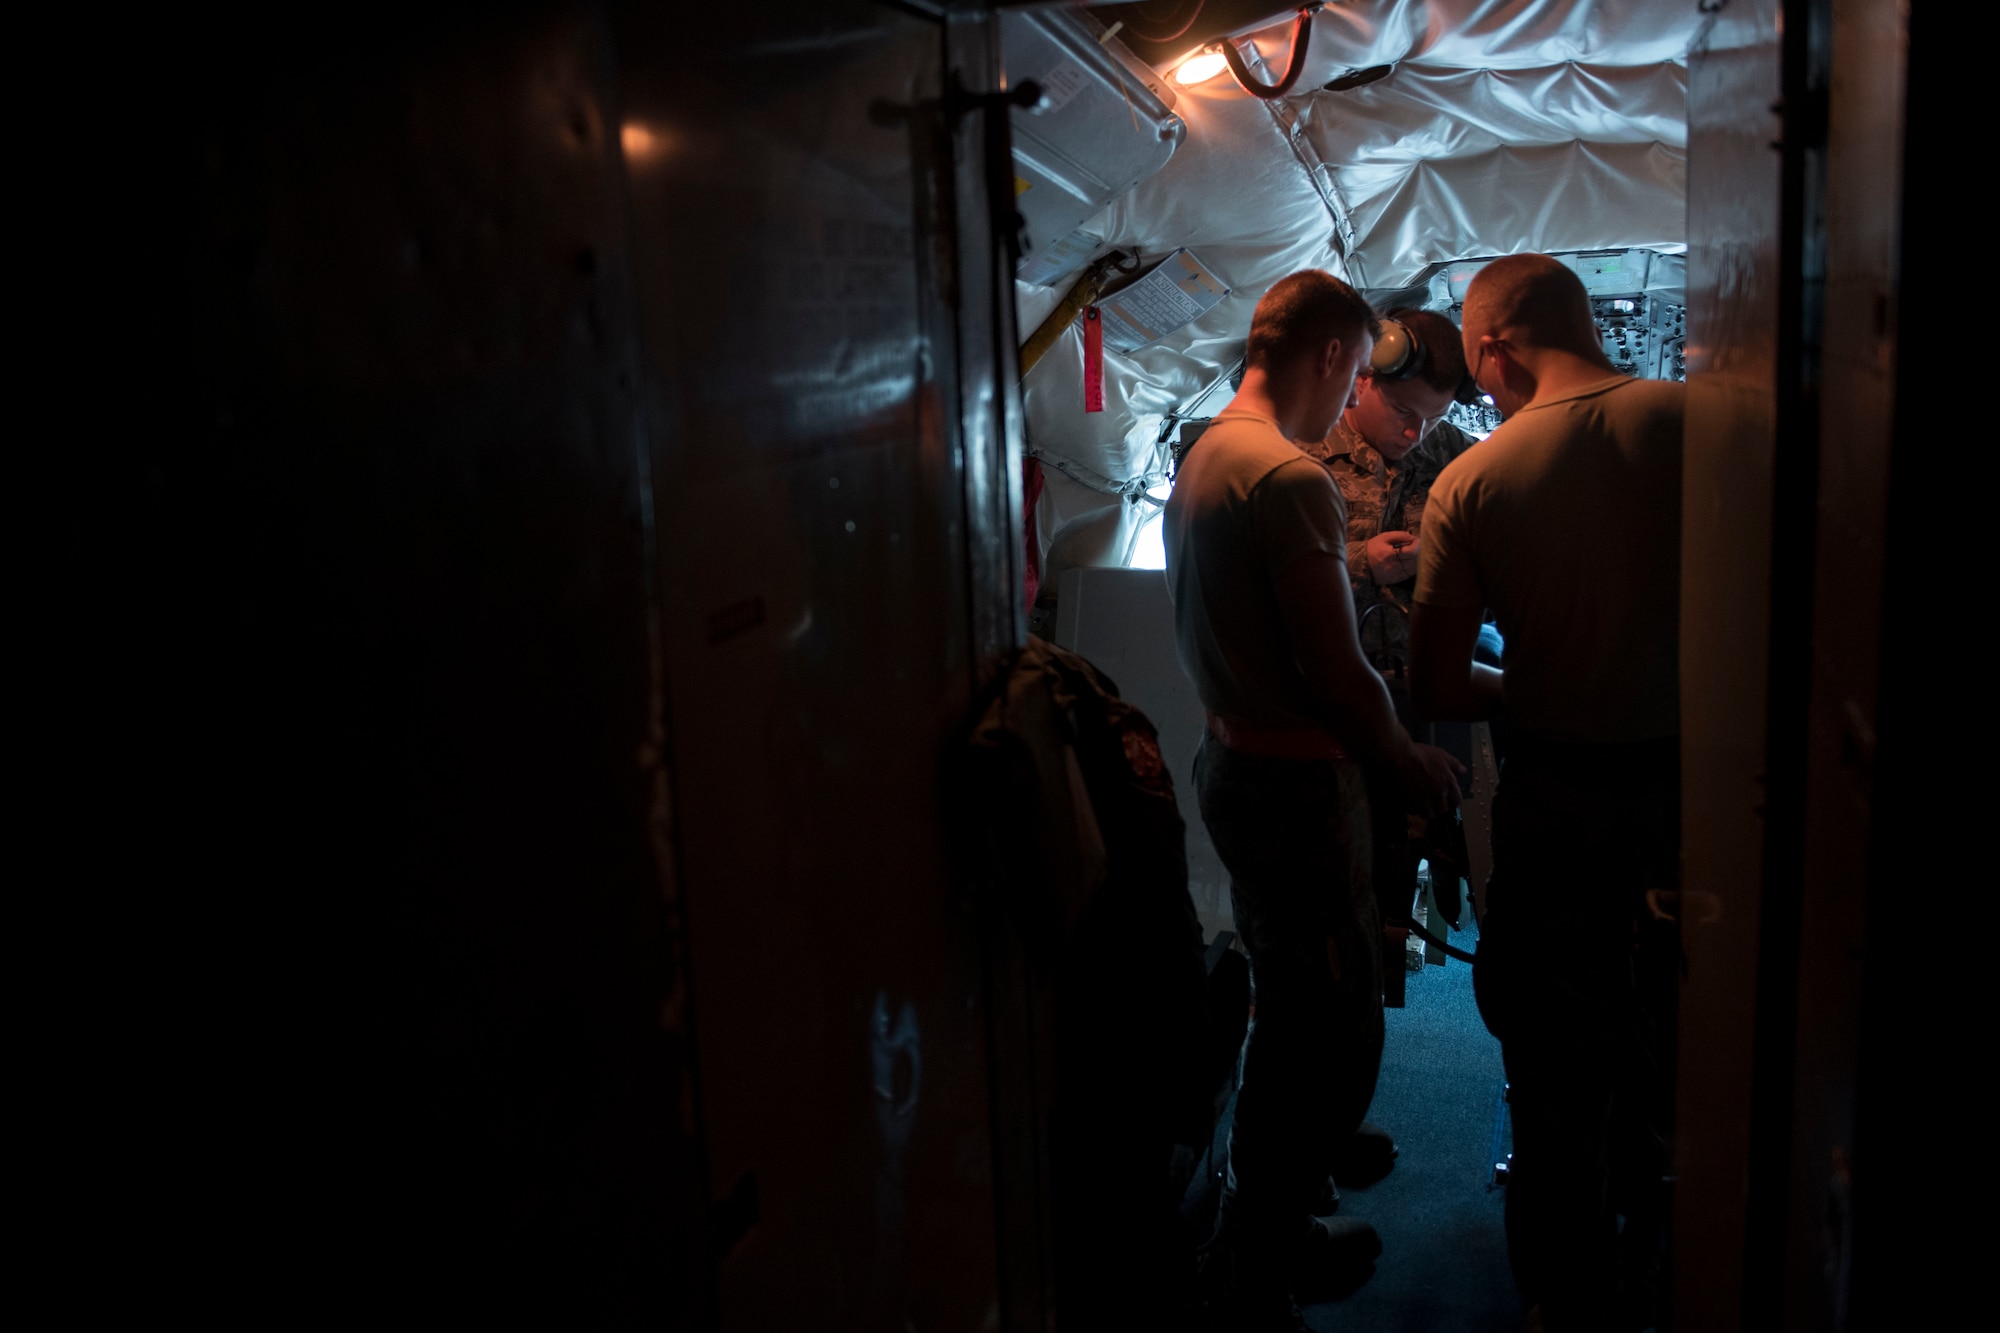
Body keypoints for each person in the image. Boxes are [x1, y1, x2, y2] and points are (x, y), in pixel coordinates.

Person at [1164, 269, 1462, 1330]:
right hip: (1295, 782)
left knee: (1286, 1009)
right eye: (1349, 385)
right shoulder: (1287, 480)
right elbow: (1339, 671)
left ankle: (1265, 1230)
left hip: (1233, 763)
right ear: (1336, 358)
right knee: (1320, 1032)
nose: (1348, 409)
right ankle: (1258, 1263)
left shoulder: (1204, 453)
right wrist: (1404, 759)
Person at [1409, 253, 1683, 1331]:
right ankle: (1667, 1254)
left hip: (1557, 802)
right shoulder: (1704, 423)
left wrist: (1544, 677)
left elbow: (1433, 681)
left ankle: (1559, 1293)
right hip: (1685, 797)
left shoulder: (1472, 480)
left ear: (1490, 349)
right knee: (1673, 1036)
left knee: (1552, 1055)